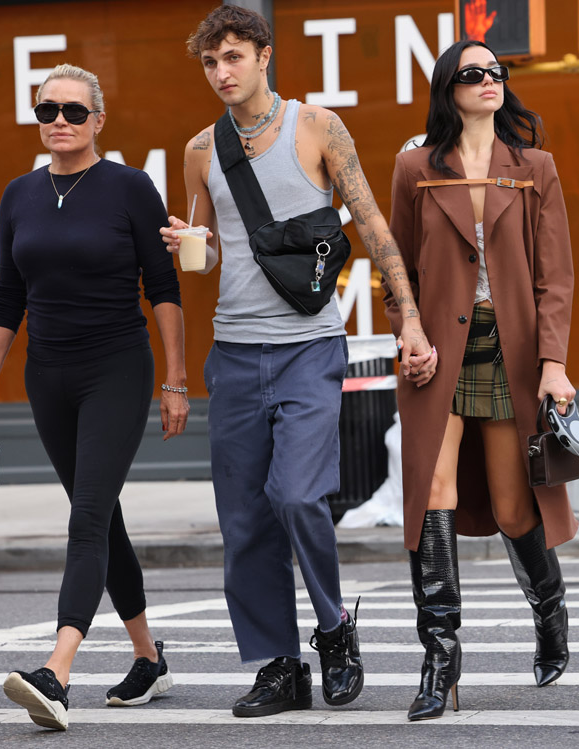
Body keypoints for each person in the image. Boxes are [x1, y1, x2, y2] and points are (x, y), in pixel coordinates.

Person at [160, 5, 432, 718]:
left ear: (263, 55)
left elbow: (370, 220)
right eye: (210, 62)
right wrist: (194, 244)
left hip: (310, 345)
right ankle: (282, 665)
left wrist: (409, 320)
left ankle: (336, 628)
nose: (222, 73)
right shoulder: (198, 149)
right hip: (235, 351)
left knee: (296, 494)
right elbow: (215, 250)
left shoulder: (317, 126)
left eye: (233, 57)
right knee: (245, 517)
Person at [0, 63, 188, 731]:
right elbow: (8, 293)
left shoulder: (130, 188)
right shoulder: (17, 195)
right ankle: (149, 657)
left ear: (97, 121)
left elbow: (165, 288)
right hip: (48, 376)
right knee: (102, 513)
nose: (57, 121)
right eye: (46, 111)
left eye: (71, 110)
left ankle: (57, 670)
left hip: (116, 368)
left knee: (87, 514)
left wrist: (176, 379)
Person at [385, 40, 579, 721]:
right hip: (436, 356)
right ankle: (440, 663)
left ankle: (550, 611)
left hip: (511, 352)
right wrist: (407, 329)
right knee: (430, 497)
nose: (489, 81)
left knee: (511, 506)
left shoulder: (534, 168)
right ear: (449, 88)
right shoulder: (414, 168)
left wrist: (554, 361)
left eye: (496, 72)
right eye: (473, 73)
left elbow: (556, 275)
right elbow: (398, 269)